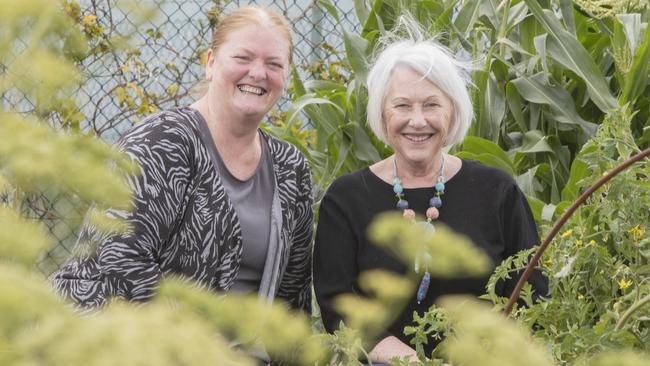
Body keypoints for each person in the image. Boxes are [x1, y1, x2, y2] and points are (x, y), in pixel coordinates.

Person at [51, 5, 313, 313]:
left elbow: (292, 297)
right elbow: (119, 262)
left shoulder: (290, 168)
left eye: (274, 64)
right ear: (211, 63)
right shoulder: (162, 143)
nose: (258, 73)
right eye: (242, 58)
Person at [313, 22, 548, 363]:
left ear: (452, 112)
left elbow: (531, 295)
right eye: (403, 106)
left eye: (432, 105)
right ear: (382, 113)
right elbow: (338, 308)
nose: (418, 121)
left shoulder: (497, 191)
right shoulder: (347, 198)